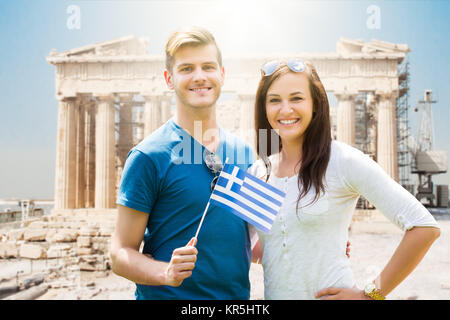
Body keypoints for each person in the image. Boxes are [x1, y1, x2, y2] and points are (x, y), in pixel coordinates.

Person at [248, 58, 441, 300]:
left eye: (296, 98)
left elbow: (424, 226)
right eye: (274, 100)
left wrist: (369, 295)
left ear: (315, 104)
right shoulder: (257, 173)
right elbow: (260, 248)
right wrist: (316, 245)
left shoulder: (343, 161)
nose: (285, 109)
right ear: (264, 108)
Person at [109, 26, 255, 299]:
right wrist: (165, 273)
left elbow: (248, 242)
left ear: (222, 75)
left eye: (208, 67)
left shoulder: (243, 152)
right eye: (187, 68)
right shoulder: (149, 156)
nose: (199, 77)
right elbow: (119, 254)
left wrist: (320, 242)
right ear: (169, 79)